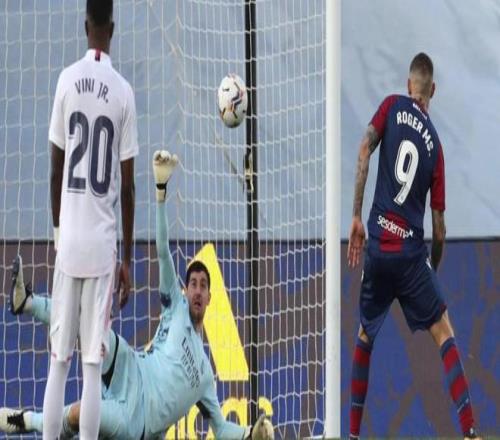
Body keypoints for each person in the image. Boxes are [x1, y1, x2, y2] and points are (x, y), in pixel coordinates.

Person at [0, 151, 274, 440]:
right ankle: (27, 302)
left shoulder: (206, 376)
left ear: (209, 297)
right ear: (185, 291)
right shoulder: (176, 307)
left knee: (80, 414)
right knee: (88, 321)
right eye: (193, 283)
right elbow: (163, 251)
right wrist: (160, 194)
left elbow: (221, 428)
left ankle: (28, 421)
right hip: (130, 367)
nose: (197, 289)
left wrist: (249, 433)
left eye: (203, 285)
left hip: (137, 420)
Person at [346, 53, 480, 440]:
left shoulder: (391, 106)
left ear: (409, 85)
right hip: (409, 256)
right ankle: (469, 430)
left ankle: (352, 435)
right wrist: (431, 267)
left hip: (377, 246)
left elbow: (363, 150)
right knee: (444, 333)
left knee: (365, 336)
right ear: (432, 90)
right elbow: (439, 228)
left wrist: (356, 216)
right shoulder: (435, 145)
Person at [44, 0, 137, 437]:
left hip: (70, 243)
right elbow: (128, 186)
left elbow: (55, 170)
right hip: (102, 247)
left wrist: (58, 233)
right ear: (112, 28)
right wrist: (127, 259)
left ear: (86, 26)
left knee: (58, 362)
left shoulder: (66, 80)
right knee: (92, 365)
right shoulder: (123, 91)